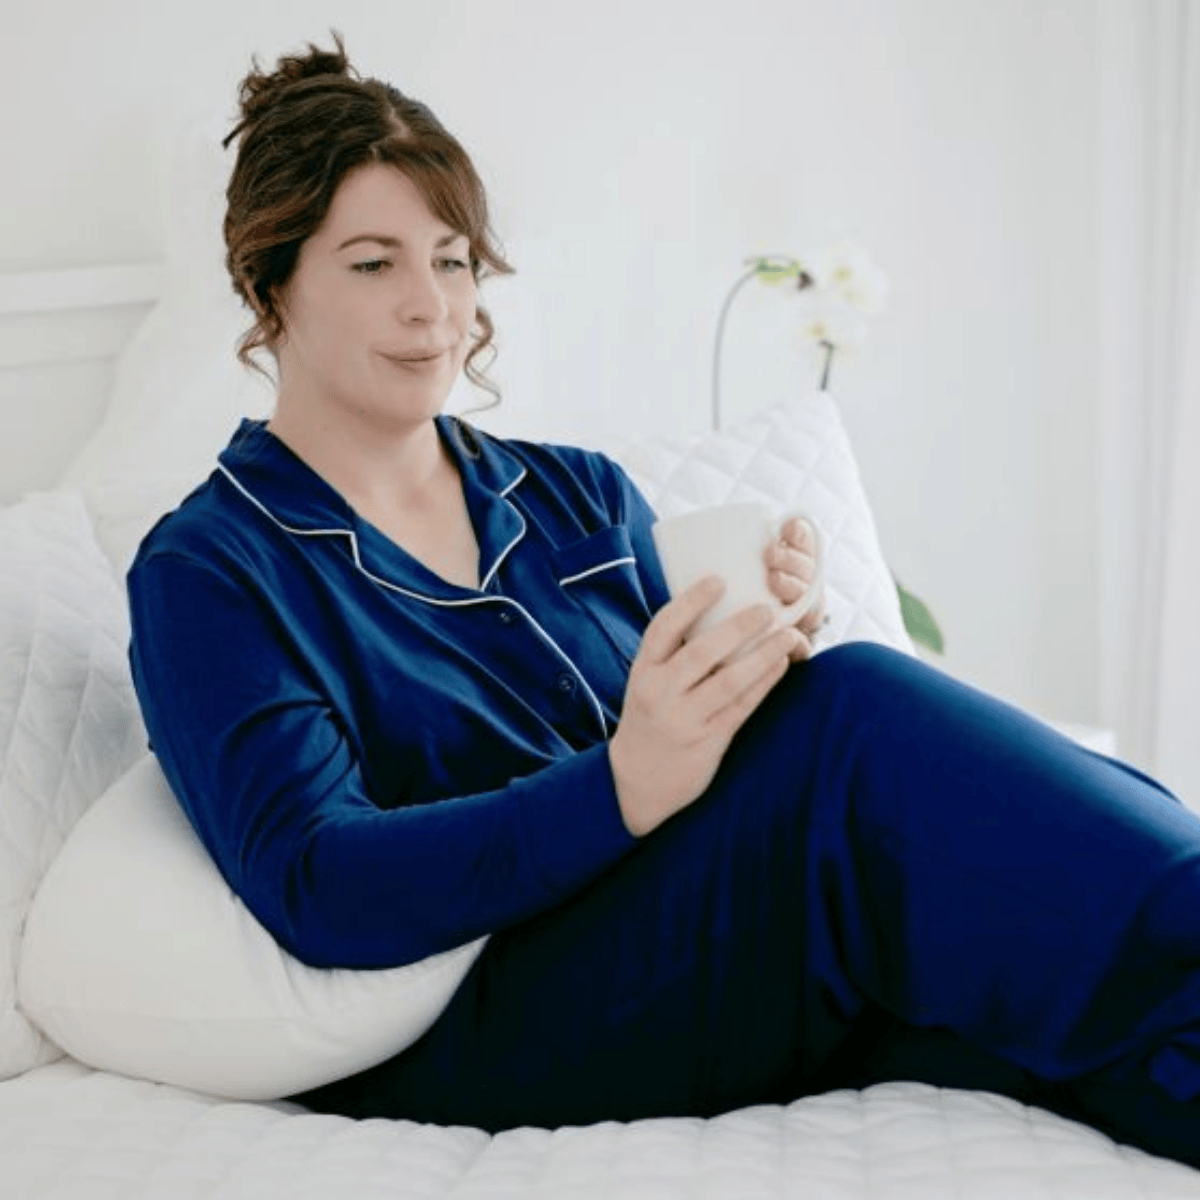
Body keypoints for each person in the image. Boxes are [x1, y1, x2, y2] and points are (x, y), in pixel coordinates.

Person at [127, 33, 1200, 1168]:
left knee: (1066, 1015)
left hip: (688, 937)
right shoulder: (211, 569)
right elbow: (316, 881)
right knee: (852, 713)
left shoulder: (578, 492)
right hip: (496, 1011)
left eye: (451, 260)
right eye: (372, 264)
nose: (430, 307)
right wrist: (624, 786)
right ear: (271, 283)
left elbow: (702, 767)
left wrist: (753, 666)